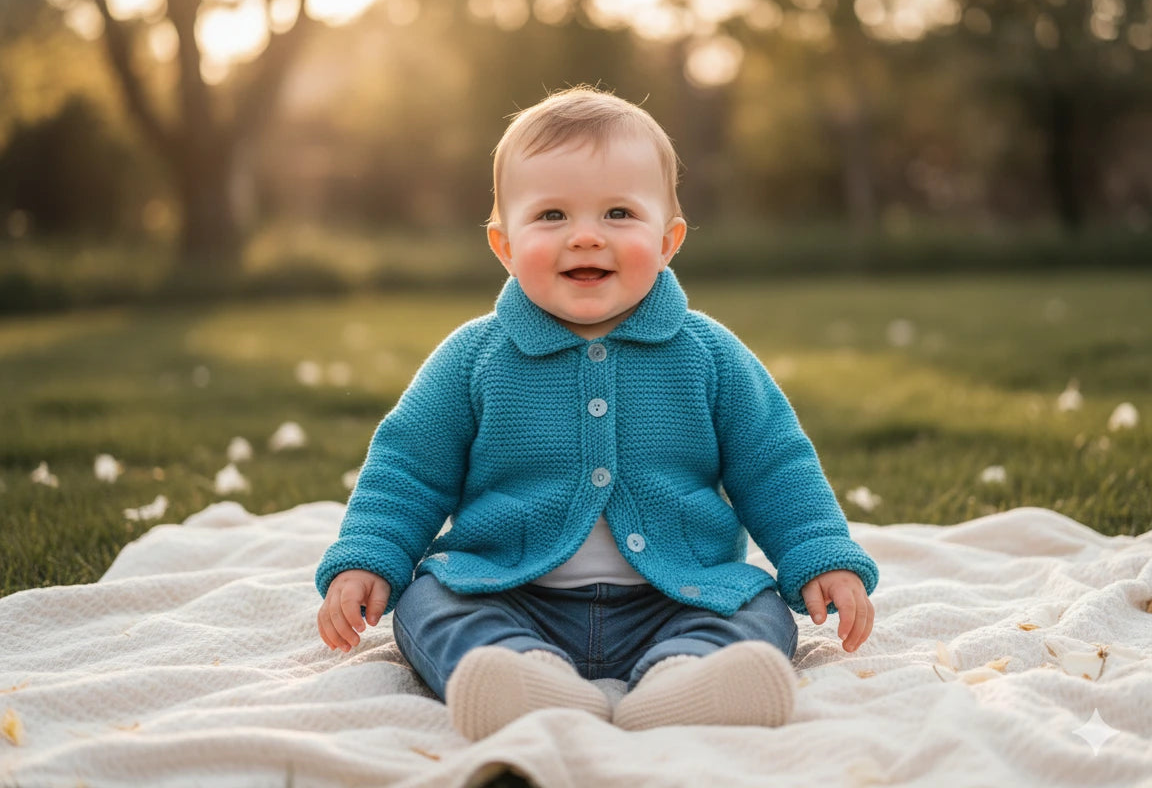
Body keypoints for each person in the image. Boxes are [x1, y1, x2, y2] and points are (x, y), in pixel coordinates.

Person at [316, 86, 878, 740]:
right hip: (505, 589)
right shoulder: (475, 356)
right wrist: (367, 557)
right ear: (504, 244)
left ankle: (690, 678)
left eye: (618, 213)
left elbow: (774, 461)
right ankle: (516, 676)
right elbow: (407, 466)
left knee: (757, 607)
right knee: (428, 600)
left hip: (681, 593)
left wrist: (821, 554)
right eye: (551, 215)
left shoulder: (709, 355)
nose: (585, 236)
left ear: (668, 241)